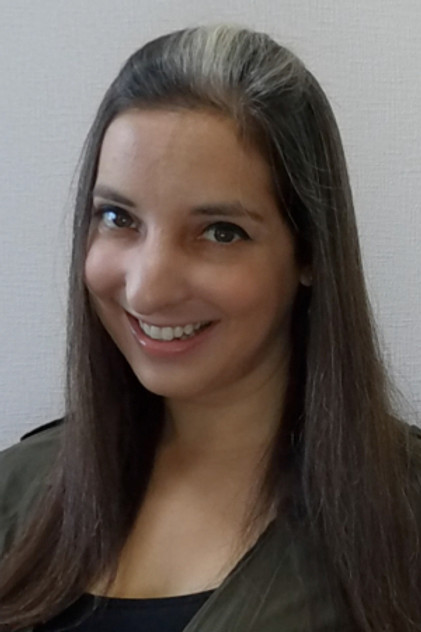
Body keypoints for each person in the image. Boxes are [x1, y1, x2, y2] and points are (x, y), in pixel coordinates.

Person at [0, 22, 420, 632]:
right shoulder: (17, 494)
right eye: (118, 217)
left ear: (309, 254)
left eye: (221, 232)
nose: (147, 289)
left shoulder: (404, 521)